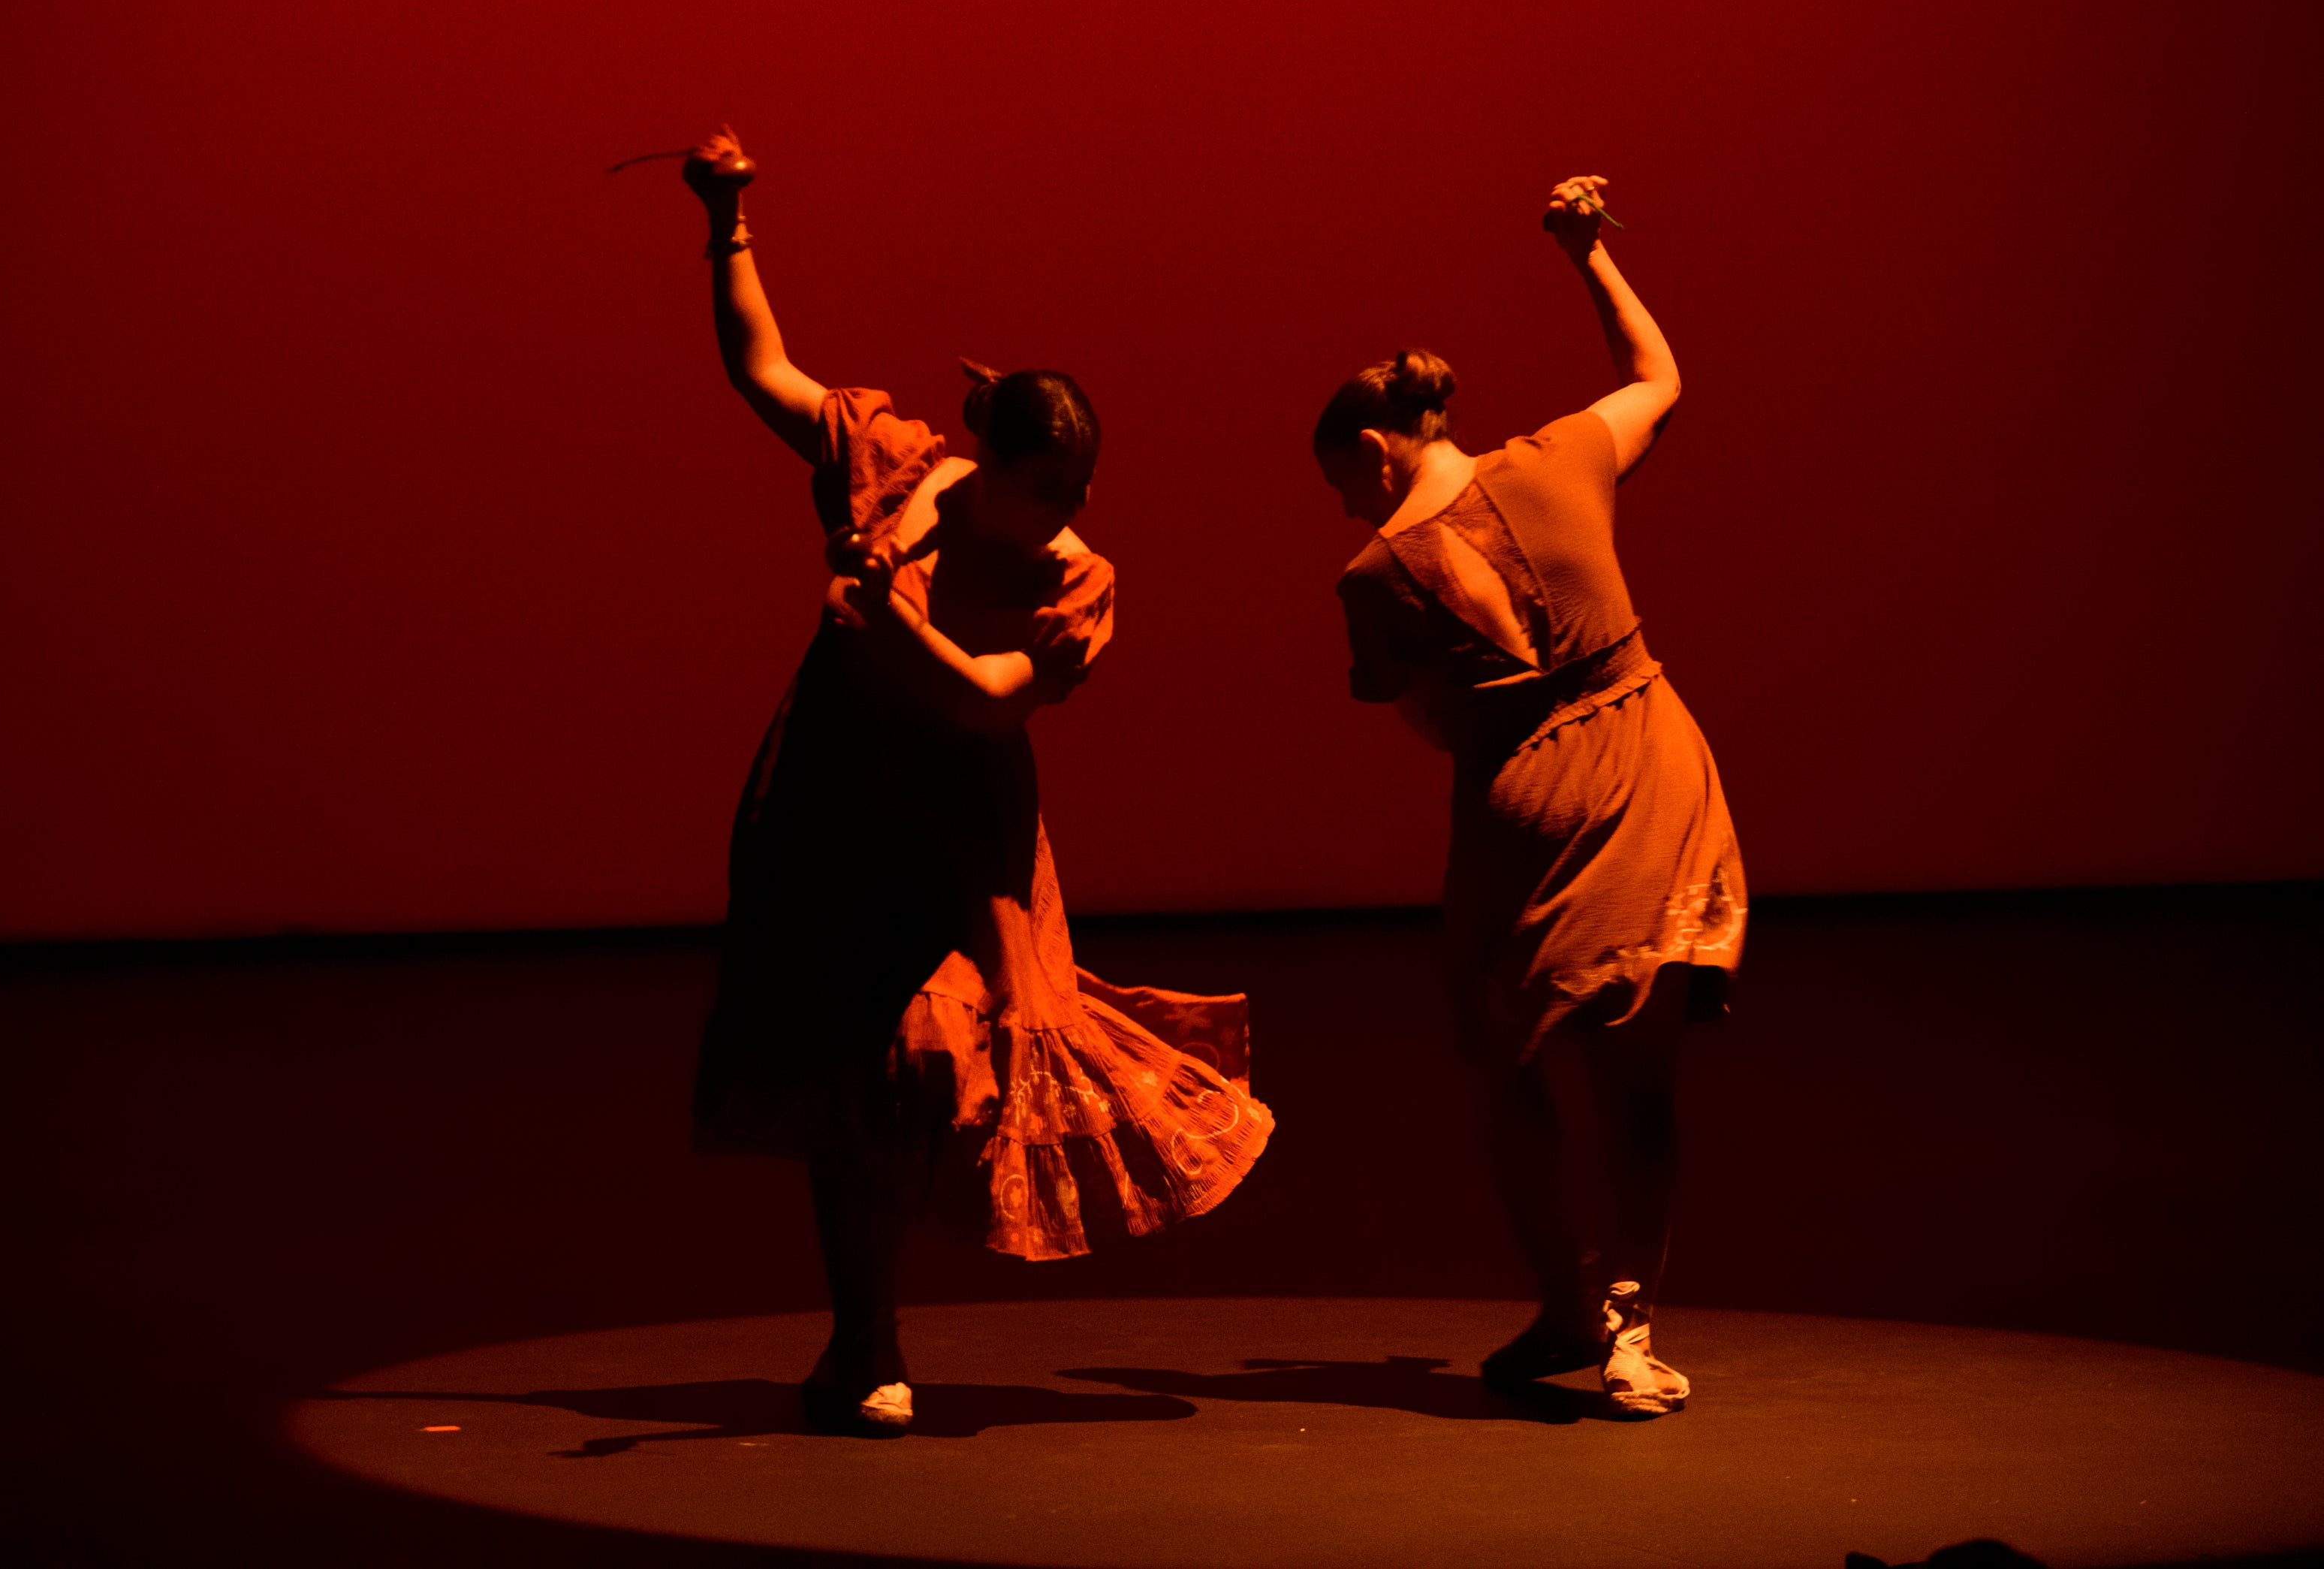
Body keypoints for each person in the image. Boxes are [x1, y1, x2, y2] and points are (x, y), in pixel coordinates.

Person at [677, 126, 1273, 1435]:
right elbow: (760, 366)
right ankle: (865, 1339)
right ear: (982, 458)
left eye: (1083, 483)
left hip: (957, 838)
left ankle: (874, 1324)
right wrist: (729, 217)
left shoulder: (1075, 579)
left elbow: (982, 699)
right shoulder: (891, 467)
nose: (1072, 505)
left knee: (936, 1057)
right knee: (855, 1073)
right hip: (833, 815)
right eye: (1046, 482)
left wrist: (876, 608)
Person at [1313, 175, 1744, 1420]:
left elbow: (1421, 718)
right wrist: (1589, 255)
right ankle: (1622, 1322)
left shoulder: (1373, 571)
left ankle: (1572, 1297)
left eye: (1346, 480)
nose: (1348, 504)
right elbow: (1660, 375)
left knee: (1503, 1063)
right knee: (1636, 1074)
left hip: (1520, 805)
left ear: (1381, 449)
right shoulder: (1564, 455)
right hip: (1650, 758)